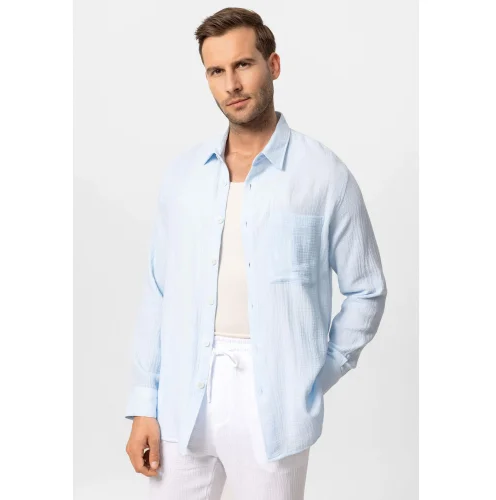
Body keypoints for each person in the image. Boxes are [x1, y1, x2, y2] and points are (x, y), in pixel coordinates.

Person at [124, 7, 387, 500]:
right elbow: (159, 291)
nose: (232, 84)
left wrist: (315, 374)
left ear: (274, 65)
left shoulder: (323, 176)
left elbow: (366, 290)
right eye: (216, 71)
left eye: (243, 64)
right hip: (182, 394)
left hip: (275, 405)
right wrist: (144, 403)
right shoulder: (183, 176)